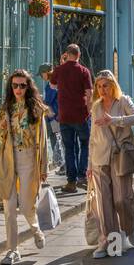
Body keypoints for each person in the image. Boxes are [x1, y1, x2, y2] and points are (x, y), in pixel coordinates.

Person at [0, 69, 50, 264]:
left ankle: (36, 230)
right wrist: (1, 128)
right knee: (9, 208)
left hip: (29, 159)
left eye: (22, 85)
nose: (18, 89)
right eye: (15, 85)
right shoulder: (6, 108)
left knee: (25, 205)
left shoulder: (36, 109)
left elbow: (43, 140)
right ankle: (12, 250)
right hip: (9, 158)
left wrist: (44, 167)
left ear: (28, 87)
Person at [86, 70, 134, 259]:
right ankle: (108, 241)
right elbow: (93, 137)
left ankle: (128, 230)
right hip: (99, 159)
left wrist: (115, 120)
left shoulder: (123, 101)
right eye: (99, 86)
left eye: (106, 86)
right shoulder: (96, 106)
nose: (102, 90)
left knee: (122, 199)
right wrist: (89, 165)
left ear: (113, 86)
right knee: (103, 203)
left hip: (120, 157)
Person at [52, 44, 92, 193]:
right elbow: (89, 93)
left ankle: (71, 182)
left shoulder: (59, 70)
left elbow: (52, 85)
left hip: (64, 116)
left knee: (69, 148)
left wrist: (61, 64)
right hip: (81, 114)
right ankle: (82, 175)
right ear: (79, 55)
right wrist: (90, 111)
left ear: (66, 54)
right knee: (85, 144)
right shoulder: (84, 71)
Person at [39, 63, 65, 174]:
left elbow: (50, 100)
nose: (41, 77)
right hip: (53, 116)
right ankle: (60, 163)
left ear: (46, 73)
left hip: (55, 116)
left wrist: (42, 101)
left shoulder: (54, 84)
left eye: (41, 74)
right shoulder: (52, 83)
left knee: (57, 139)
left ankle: (61, 164)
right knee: (55, 139)